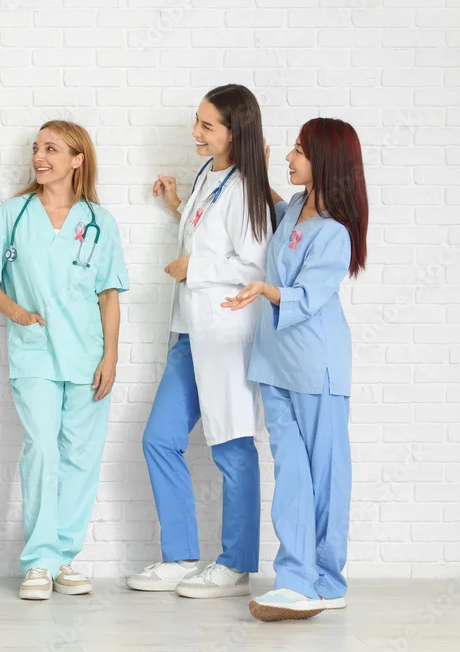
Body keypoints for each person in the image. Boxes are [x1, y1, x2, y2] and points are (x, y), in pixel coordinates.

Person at [126, 84, 275, 599]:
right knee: (159, 440)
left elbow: (254, 264)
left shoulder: (251, 188)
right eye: (197, 120)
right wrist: (177, 206)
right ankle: (181, 556)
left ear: (236, 132)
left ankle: (235, 565)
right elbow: (208, 232)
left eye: (207, 125)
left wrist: (196, 267)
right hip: (189, 333)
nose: (195, 132)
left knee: (233, 445)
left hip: (225, 332)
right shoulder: (209, 174)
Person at [223, 118, 368, 622]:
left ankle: (326, 581)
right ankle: (294, 579)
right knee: (291, 475)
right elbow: (270, 208)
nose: (290, 156)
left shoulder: (335, 233)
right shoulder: (295, 210)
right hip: (275, 361)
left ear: (325, 160)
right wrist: (256, 168)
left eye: (300, 150)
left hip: (316, 365)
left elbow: (306, 297)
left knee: (325, 474)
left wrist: (265, 290)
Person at [0, 121, 129, 600]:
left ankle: (65, 557)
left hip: (88, 355)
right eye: (36, 148)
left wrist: (111, 356)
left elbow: (109, 294)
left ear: (77, 159)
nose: (39, 157)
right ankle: (39, 561)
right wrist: (18, 314)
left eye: (51, 149)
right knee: (42, 449)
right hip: (35, 351)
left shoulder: (100, 221)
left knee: (81, 456)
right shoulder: (13, 214)